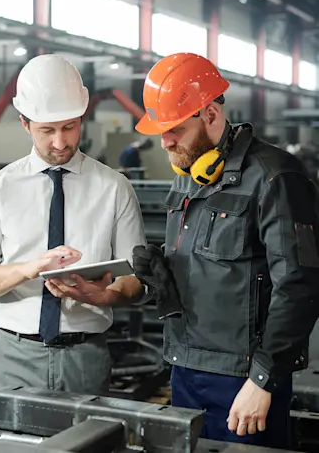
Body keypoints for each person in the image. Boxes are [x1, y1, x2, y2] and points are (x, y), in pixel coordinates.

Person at [131, 52, 319, 449]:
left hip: (243, 379)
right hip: (185, 368)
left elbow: (299, 284)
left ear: (210, 114)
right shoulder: (187, 179)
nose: (164, 141)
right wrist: (161, 279)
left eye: (175, 129)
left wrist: (263, 380)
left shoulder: (274, 177)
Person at [0, 54, 147, 395]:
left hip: (86, 357)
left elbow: (136, 279)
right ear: (25, 123)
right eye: (47, 130)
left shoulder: (114, 188)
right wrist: (30, 269)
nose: (60, 143)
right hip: (12, 356)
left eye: (70, 127)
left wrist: (104, 294)